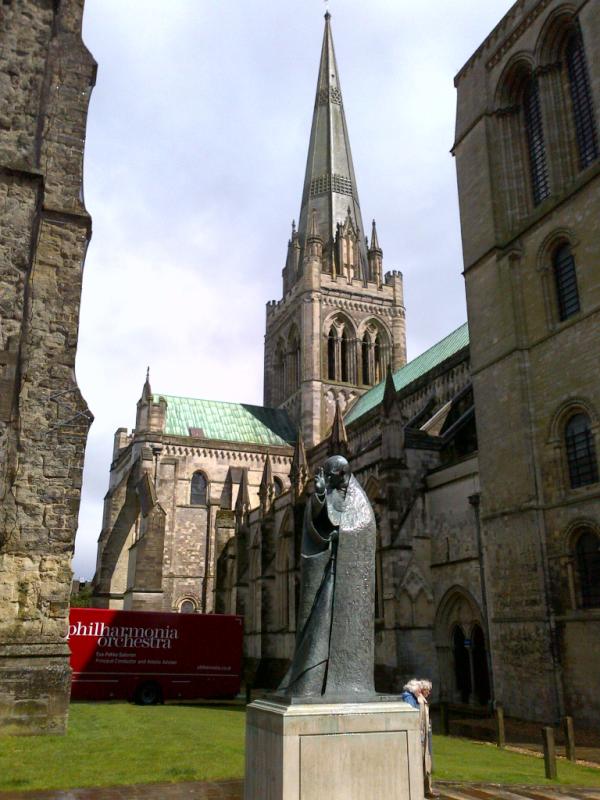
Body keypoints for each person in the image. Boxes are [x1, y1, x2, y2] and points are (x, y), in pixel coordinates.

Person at [277, 455, 377, 699]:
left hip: (348, 579)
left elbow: (364, 527)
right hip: (330, 569)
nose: (327, 479)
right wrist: (319, 495)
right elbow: (319, 521)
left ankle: (321, 681)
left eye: (330, 476)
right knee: (317, 622)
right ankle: (308, 682)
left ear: (342, 473)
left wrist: (341, 537)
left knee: (325, 624)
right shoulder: (330, 492)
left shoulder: (359, 500)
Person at [418, 679, 438, 799]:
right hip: (422, 736)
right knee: (424, 762)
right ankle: (425, 790)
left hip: (426, 734)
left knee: (427, 762)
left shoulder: (423, 701)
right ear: (423, 689)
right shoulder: (420, 701)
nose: (429, 693)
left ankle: (428, 789)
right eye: (428, 690)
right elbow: (419, 720)